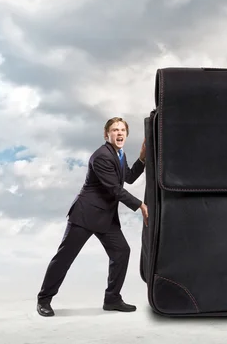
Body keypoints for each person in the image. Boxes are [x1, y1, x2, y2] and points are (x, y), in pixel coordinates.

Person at [36, 117, 149, 317]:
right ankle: (44, 299)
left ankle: (112, 299)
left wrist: (141, 159)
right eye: (115, 130)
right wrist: (140, 205)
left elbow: (128, 177)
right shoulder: (102, 156)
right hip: (85, 215)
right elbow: (115, 189)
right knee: (64, 258)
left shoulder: (119, 154)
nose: (119, 133)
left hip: (106, 218)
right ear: (107, 134)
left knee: (121, 252)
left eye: (122, 130)